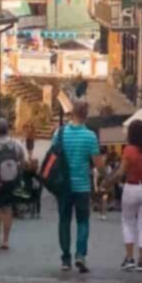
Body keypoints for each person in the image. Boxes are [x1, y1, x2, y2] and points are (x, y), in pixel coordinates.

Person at [56, 98, 101, 273]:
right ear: (86, 115)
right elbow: (98, 164)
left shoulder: (60, 133)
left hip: (63, 187)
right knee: (83, 221)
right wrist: (106, 178)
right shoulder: (90, 136)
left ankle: (65, 259)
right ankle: (80, 255)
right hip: (82, 187)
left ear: (72, 113)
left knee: (64, 221)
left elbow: (53, 157)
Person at [113, 118, 142, 272]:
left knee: (128, 223)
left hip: (131, 188)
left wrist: (108, 182)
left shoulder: (129, 150)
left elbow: (121, 172)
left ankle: (129, 258)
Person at [0, 117, 26, 251]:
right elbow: (22, 159)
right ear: (7, 129)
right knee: (8, 209)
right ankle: (6, 241)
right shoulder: (16, 143)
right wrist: (19, 173)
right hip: (11, 181)